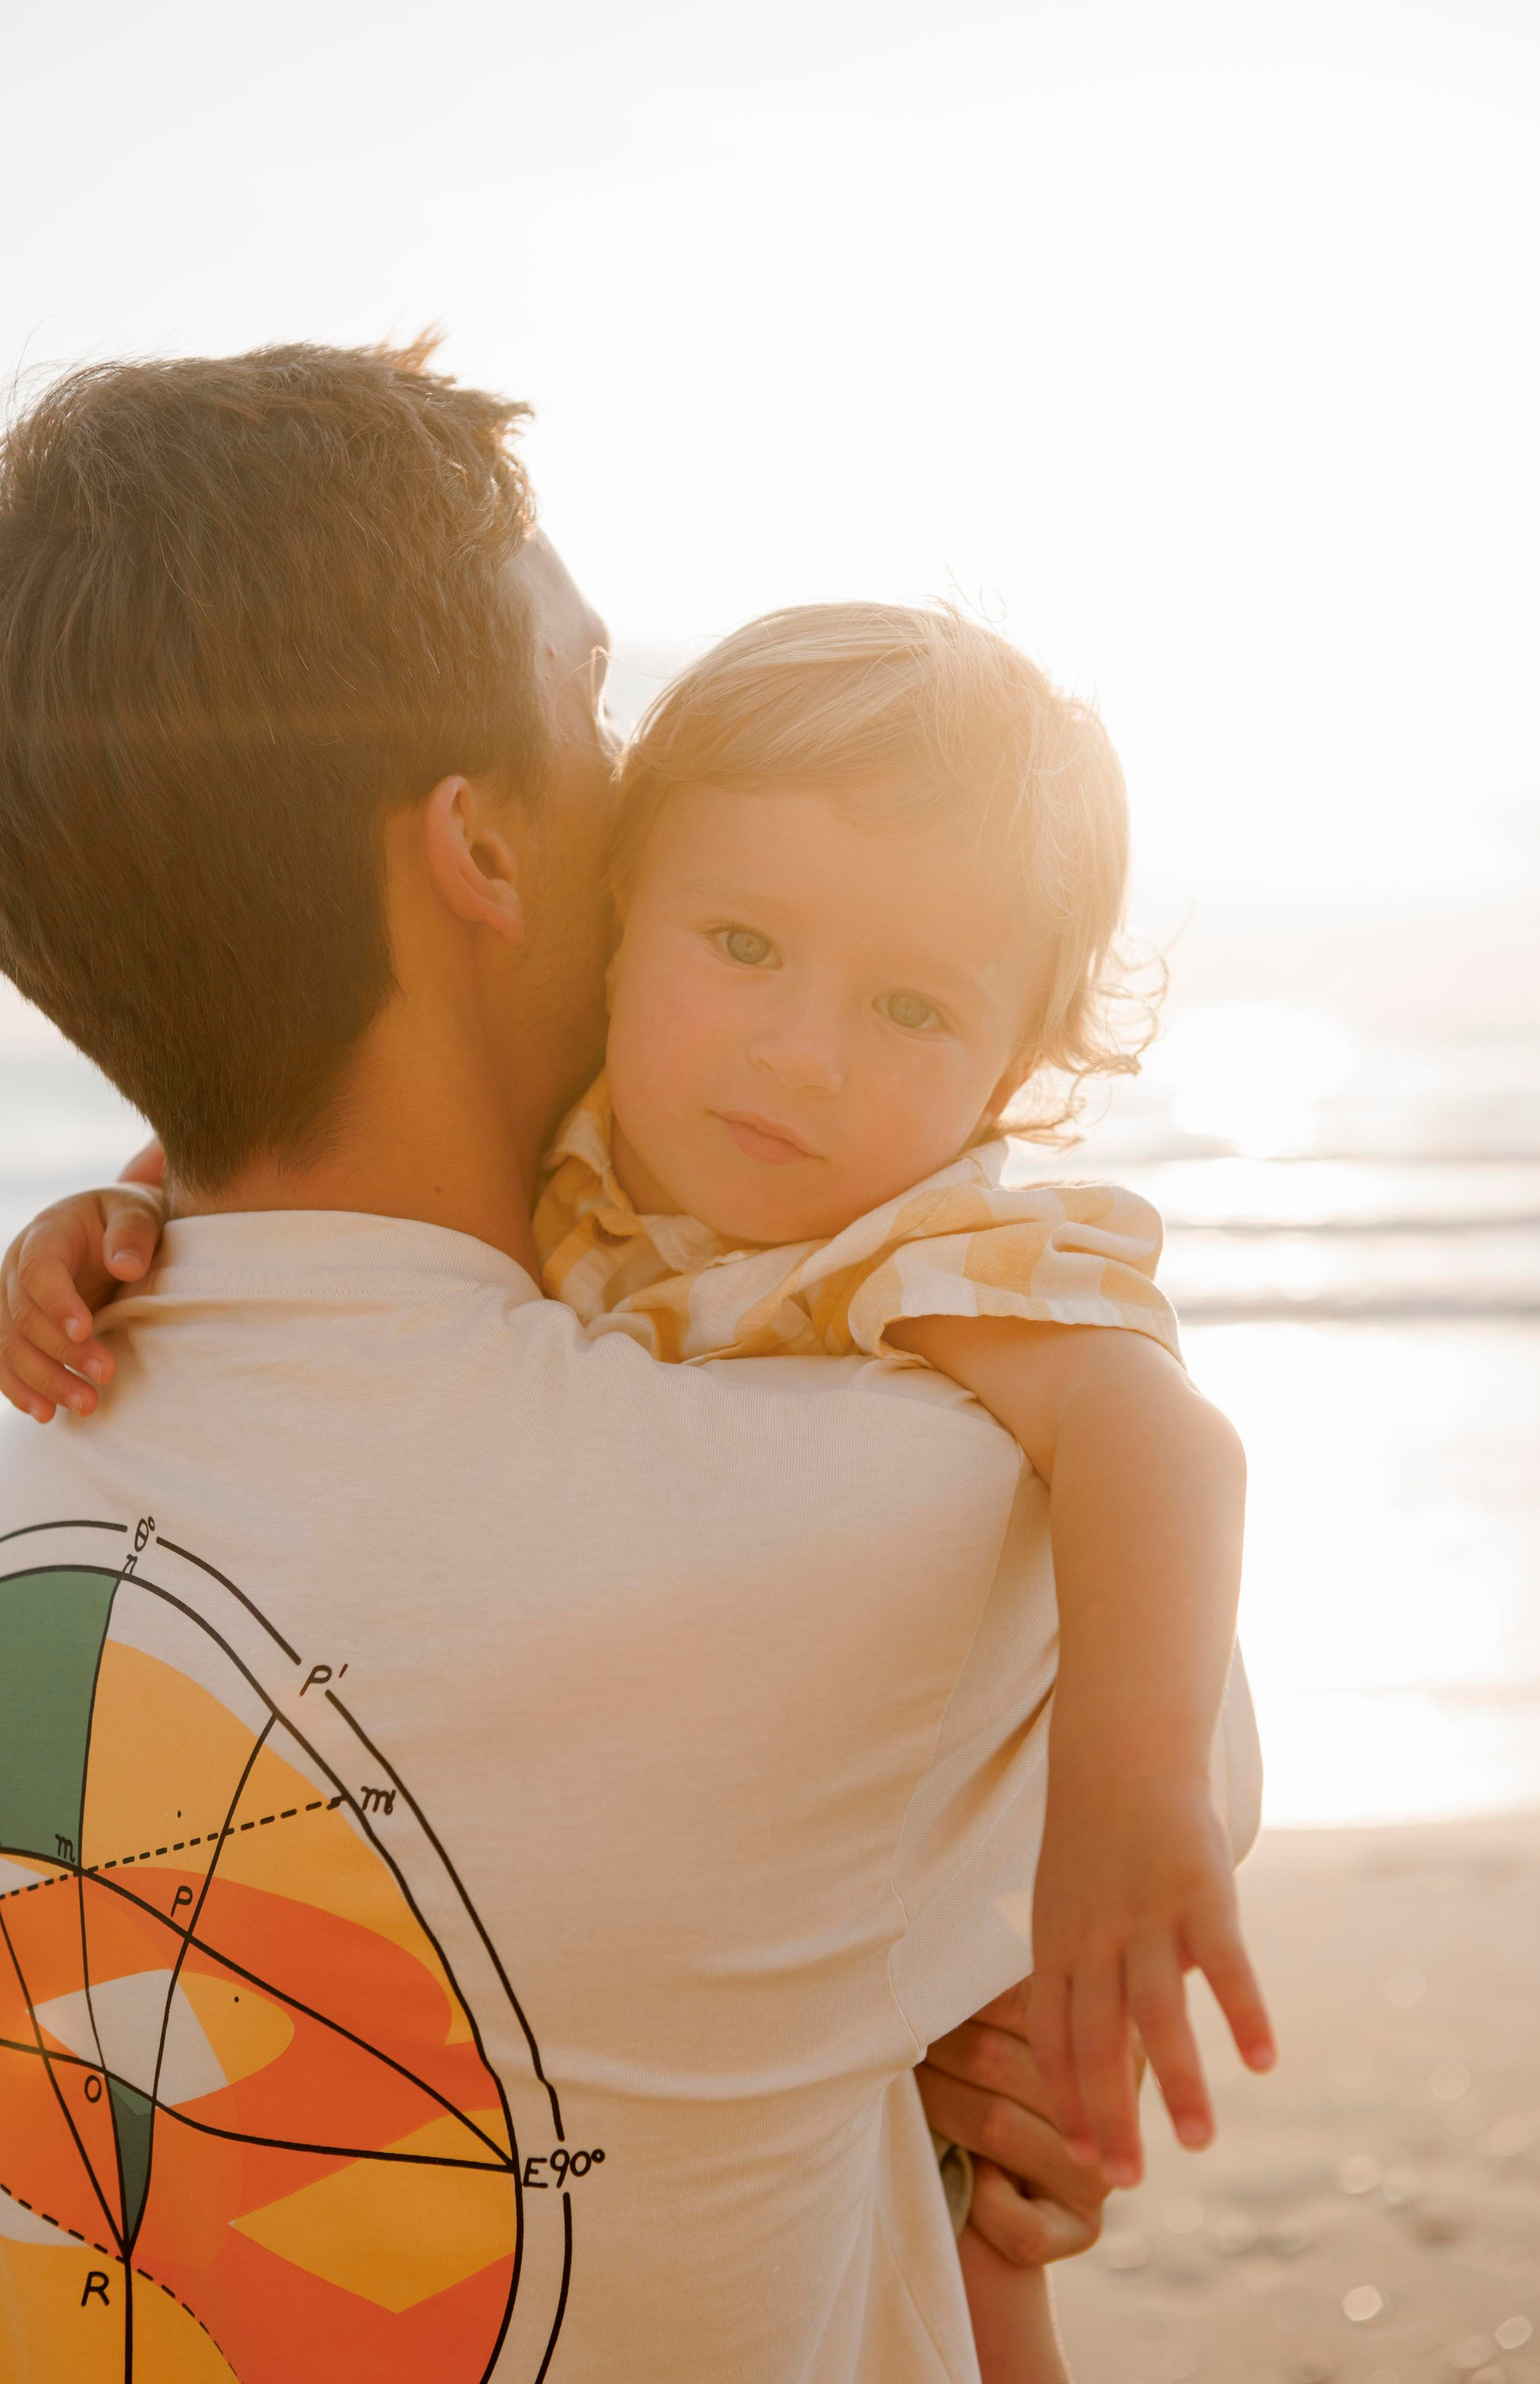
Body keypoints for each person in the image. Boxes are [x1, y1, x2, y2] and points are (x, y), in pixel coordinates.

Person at [0, 342, 1260, 2382]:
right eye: (592, 698)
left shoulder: (63, 1407)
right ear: (487, 854)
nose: (640, 773)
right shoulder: (890, 1529)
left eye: (907, 1004)